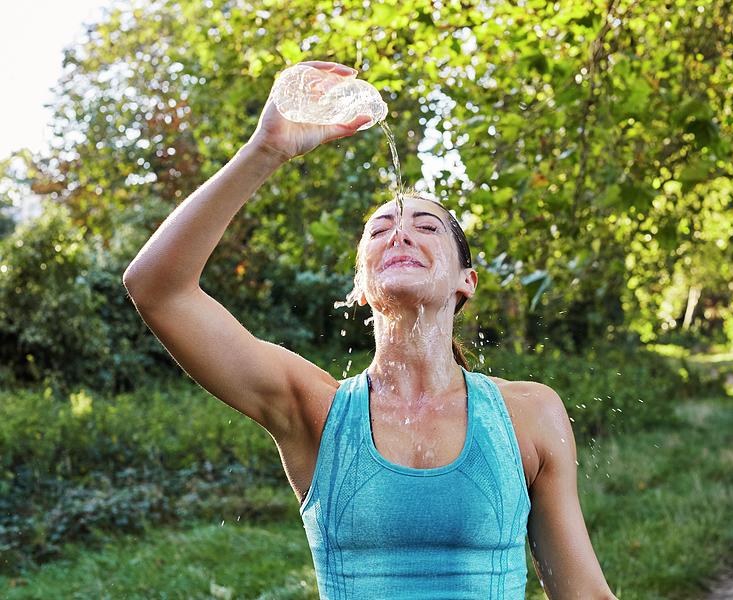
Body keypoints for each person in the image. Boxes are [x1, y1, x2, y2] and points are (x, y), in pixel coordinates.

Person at [123, 60, 617, 600]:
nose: (400, 233)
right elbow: (157, 289)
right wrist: (264, 151)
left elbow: (583, 594)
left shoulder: (530, 414)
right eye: (380, 230)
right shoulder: (315, 410)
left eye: (425, 227)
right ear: (361, 287)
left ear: (465, 280)